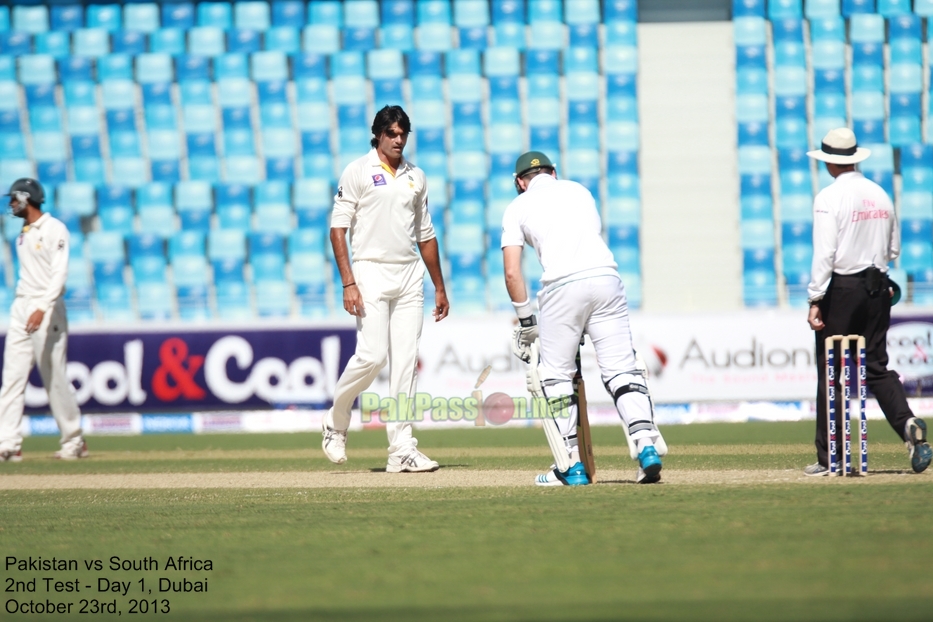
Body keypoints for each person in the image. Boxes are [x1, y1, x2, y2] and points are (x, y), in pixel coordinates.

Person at [501, 151, 667, 486]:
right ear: (555, 172)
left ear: (520, 183)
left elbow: (511, 272)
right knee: (622, 367)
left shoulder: (516, 207)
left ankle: (571, 465)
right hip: (606, 278)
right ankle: (646, 445)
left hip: (561, 287)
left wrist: (526, 320)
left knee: (556, 376)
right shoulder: (580, 191)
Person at [321, 105, 449, 473]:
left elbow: (426, 235)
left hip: (409, 275)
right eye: (391, 134)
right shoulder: (358, 170)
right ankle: (336, 418)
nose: (398, 140)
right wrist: (349, 282)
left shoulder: (416, 177)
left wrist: (439, 286)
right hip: (370, 272)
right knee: (373, 356)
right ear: (378, 134)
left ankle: (402, 449)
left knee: (406, 363)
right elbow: (337, 228)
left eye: (403, 134)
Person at [805, 128, 932, 476]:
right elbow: (893, 250)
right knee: (875, 366)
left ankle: (830, 457)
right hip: (879, 290)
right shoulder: (880, 194)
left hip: (844, 290)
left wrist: (816, 297)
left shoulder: (828, 198)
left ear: (831, 161)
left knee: (831, 371)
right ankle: (906, 425)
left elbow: (825, 253)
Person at [0, 178, 86, 462]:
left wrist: (42, 306)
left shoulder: (54, 229)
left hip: (46, 308)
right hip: (21, 306)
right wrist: (26, 307)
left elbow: (59, 274)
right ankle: (8, 443)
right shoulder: (23, 233)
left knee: (54, 377)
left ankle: (73, 440)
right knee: (12, 378)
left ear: (27, 198)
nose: (11, 204)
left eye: (14, 199)